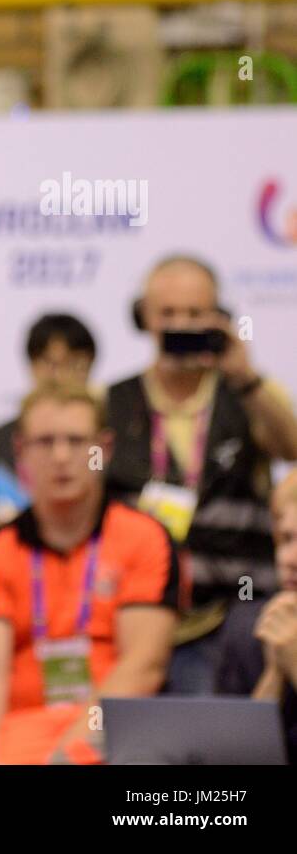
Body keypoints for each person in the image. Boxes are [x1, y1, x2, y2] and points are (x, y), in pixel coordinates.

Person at [0, 383, 179, 765]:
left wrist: (67, 757)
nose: (61, 456)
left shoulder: (146, 538)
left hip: (116, 738)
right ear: (21, 452)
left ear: (104, 450)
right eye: (45, 442)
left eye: (77, 442)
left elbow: (142, 666)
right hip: (18, 740)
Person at [105, 255, 297, 694]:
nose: (182, 325)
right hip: (136, 622)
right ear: (143, 318)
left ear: (220, 317)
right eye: (168, 314)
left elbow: (291, 448)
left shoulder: (250, 393)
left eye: (195, 314)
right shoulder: (112, 402)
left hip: (234, 619)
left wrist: (244, 375)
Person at [0, 313, 97, 554]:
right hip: (10, 580)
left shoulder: (102, 443)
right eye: (51, 363)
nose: (60, 377)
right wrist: (13, 529)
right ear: (32, 366)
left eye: (74, 364)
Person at [215, 469, 297, 763]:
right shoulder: (246, 625)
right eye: (286, 539)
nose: (290, 559)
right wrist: (275, 672)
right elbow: (236, 757)